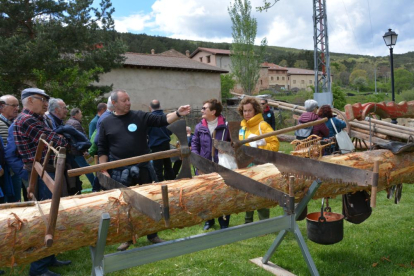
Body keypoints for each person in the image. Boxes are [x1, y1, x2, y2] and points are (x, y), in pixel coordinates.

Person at [98, 90, 190, 250]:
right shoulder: (106, 122)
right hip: (120, 170)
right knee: (124, 204)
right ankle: (127, 237)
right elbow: (102, 148)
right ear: (114, 103)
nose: (128, 102)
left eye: (128, 99)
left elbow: (162, 120)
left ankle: (152, 234)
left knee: (149, 200)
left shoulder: (139, 116)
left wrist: (178, 113)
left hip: (143, 168)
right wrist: (103, 169)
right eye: (124, 100)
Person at [14, 88, 71, 276]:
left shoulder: (35, 119)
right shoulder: (27, 120)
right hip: (39, 174)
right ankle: (38, 269)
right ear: (30, 100)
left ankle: (48, 258)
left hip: (43, 171)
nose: (47, 103)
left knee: (50, 216)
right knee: (45, 218)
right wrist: (64, 138)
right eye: (43, 99)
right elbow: (56, 140)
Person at [238, 97, 279, 224]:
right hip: (246, 164)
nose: (247, 114)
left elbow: (275, 146)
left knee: (261, 193)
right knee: (247, 193)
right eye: (245, 111)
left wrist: (260, 145)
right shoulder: (242, 127)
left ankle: (264, 223)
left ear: (255, 111)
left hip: (261, 165)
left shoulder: (263, 125)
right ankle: (248, 222)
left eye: (249, 111)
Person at [192, 99, 231, 230]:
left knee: (223, 194)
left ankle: (224, 221)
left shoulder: (226, 126)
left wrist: (226, 148)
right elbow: (195, 145)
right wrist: (198, 162)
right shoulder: (199, 127)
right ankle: (209, 220)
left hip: (222, 165)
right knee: (206, 194)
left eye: (205, 108)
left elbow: (235, 145)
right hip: (204, 166)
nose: (202, 110)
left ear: (213, 112)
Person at [0, 95, 22, 203]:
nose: (17, 108)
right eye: (13, 105)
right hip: (4, 173)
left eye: (17, 106)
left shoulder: (16, 123)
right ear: (2, 107)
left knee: (16, 201)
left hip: (15, 171)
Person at [147, 100, 175, 182]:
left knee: (158, 169)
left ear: (150, 107)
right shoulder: (166, 117)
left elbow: (146, 132)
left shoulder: (149, 119)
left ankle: (160, 185)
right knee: (168, 166)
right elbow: (170, 131)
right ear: (159, 106)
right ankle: (171, 183)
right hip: (166, 144)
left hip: (155, 146)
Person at [66, 108, 95, 185]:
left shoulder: (68, 122)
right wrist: (84, 151)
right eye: (80, 114)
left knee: (83, 169)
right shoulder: (75, 123)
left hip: (73, 151)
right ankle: (95, 185)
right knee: (87, 169)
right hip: (78, 151)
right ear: (76, 114)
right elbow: (80, 139)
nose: (81, 115)